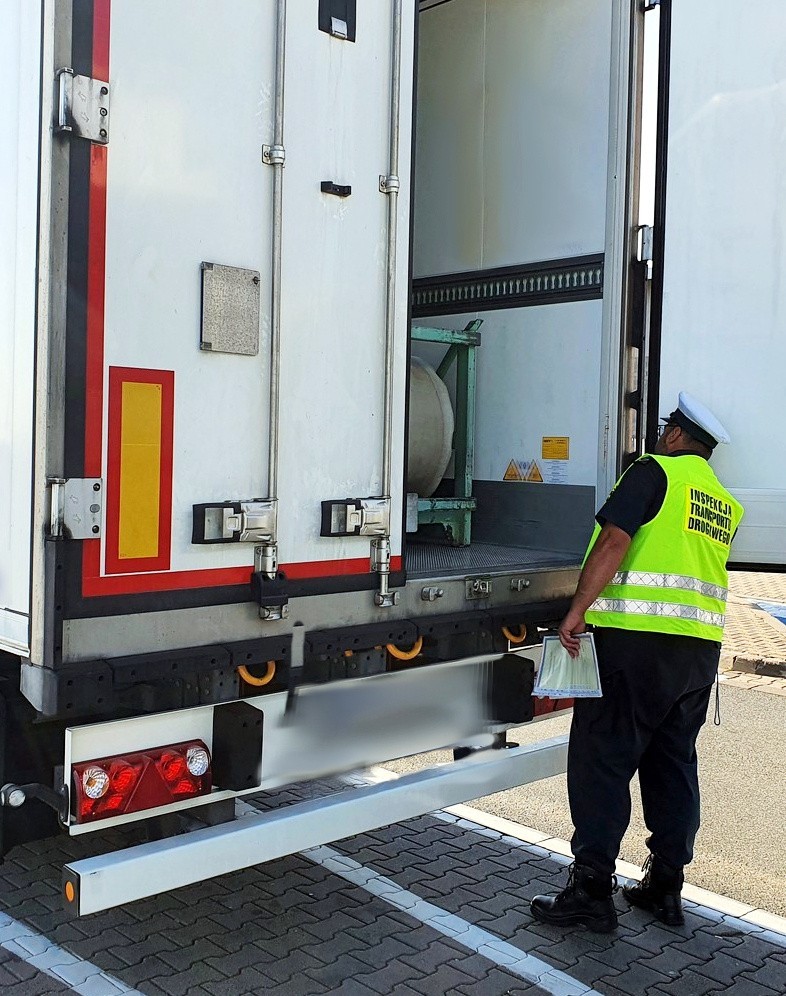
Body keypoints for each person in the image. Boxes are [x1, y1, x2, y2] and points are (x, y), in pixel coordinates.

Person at [530, 392, 744, 933]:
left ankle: (592, 891)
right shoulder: (722, 500)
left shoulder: (653, 472)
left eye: (664, 428)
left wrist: (576, 610)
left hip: (635, 644)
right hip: (697, 654)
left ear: (675, 435)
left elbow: (615, 539)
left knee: (602, 758)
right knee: (673, 764)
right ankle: (665, 888)